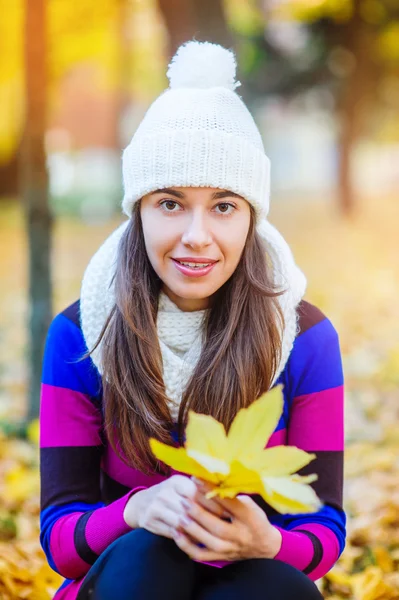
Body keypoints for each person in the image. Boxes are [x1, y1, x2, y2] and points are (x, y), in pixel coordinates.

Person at [39, 41, 345, 600]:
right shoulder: (83, 333)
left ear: (252, 216)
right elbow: (60, 537)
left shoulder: (306, 338)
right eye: (171, 203)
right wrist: (136, 510)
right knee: (148, 556)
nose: (197, 235)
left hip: (248, 579)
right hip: (128, 580)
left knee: (277, 589)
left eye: (224, 206)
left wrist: (270, 543)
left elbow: (325, 530)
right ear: (139, 210)